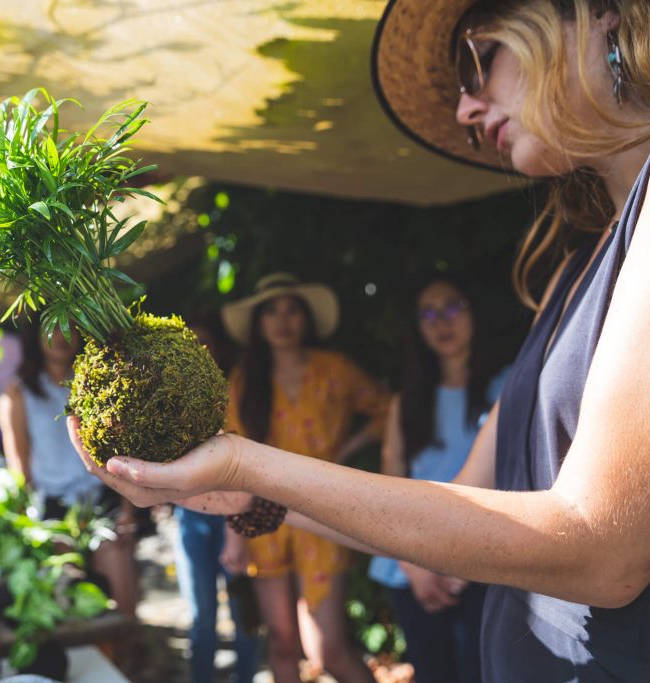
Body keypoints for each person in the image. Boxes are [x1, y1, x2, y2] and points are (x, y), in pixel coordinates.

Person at [69, 1, 650, 680]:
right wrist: (248, 496)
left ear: (599, 14)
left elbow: (599, 553)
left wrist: (244, 464)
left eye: (474, 63)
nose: (465, 111)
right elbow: (465, 509)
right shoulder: (578, 267)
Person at [219, 273, 389, 683]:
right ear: (259, 323)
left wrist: (345, 450)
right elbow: (231, 455)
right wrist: (235, 534)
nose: (283, 320)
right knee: (279, 643)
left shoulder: (334, 369)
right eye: (272, 311)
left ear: (307, 318)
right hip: (262, 516)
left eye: (292, 309)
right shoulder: (245, 380)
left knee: (327, 650)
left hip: (324, 512)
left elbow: (387, 409)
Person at [368, 275, 508, 683]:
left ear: (473, 310)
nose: (441, 322)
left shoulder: (510, 385)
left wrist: (465, 564)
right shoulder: (406, 402)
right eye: (428, 313)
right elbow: (388, 486)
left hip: (489, 561)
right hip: (412, 562)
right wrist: (411, 562)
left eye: (451, 306)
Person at [0, 319, 140, 618]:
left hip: (101, 499)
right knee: (67, 602)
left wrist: (128, 507)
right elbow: (20, 468)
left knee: (123, 600)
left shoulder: (95, 384)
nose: (62, 336)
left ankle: (126, 657)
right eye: (51, 327)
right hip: (53, 509)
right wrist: (29, 528)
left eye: (70, 327)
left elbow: (120, 450)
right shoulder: (18, 394)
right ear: (35, 336)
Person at [173, 311, 259, 683]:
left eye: (204, 342)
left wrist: (238, 527)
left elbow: (250, 456)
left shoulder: (235, 389)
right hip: (192, 514)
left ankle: (245, 675)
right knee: (202, 611)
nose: (198, 350)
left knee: (242, 607)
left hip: (234, 511)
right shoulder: (171, 395)